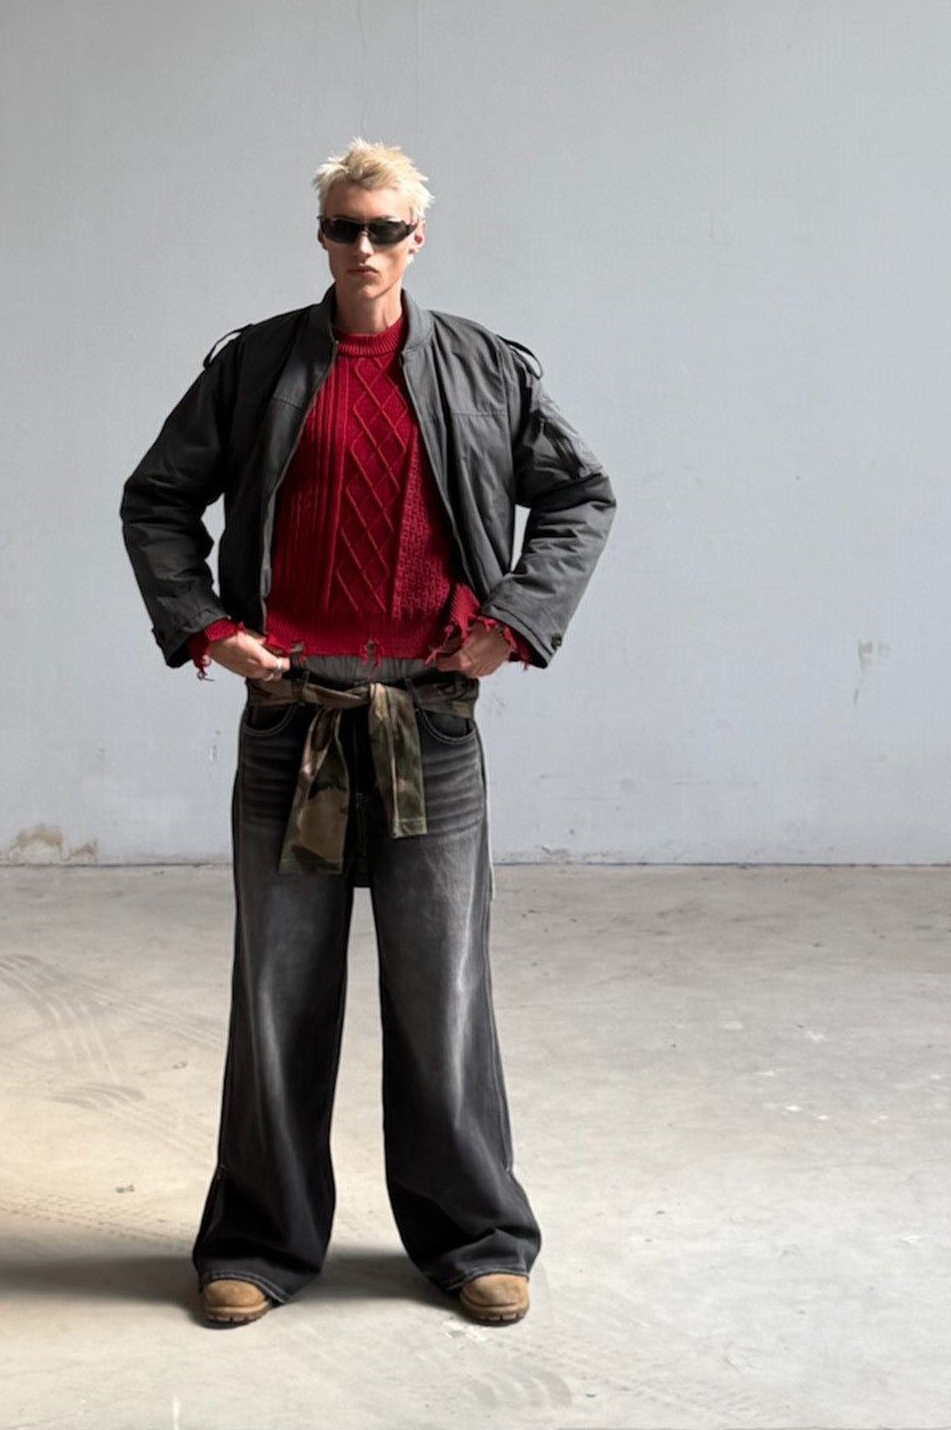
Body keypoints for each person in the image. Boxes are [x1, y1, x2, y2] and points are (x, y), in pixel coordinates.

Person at [120, 138, 616, 1328]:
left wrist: (512, 623)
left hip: (427, 723)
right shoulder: (254, 366)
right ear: (321, 235)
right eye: (343, 226)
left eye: (383, 228)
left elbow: (577, 494)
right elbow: (158, 497)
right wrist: (210, 627)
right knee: (278, 992)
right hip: (293, 722)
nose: (362, 247)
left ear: (415, 239)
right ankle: (257, 1240)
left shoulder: (485, 367)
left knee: (441, 990)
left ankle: (475, 1236)